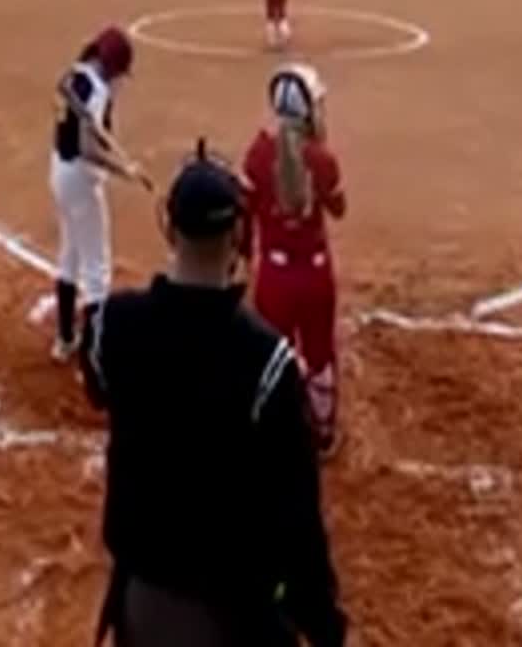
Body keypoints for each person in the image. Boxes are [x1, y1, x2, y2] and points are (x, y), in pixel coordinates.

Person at [80, 140, 347, 647]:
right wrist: (325, 626)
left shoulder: (113, 325)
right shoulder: (268, 362)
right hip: (236, 616)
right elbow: (298, 521)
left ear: (170, 229)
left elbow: (98, 384)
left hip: (143, 607)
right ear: (240, 235)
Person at [240, 63, 347, 456]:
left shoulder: (257, 153)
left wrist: (244, 260)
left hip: (274, 276)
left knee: (271, 356)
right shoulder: (322, 159)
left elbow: (244, 215)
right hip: (315, 275)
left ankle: (274, 434)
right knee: (319, 356)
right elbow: (339, 209)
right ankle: (322, 434)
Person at [50, 28, 152, 361]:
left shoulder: (74, 75)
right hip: (80, 179)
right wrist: (125, 171)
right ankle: (94, 359)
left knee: (70, 254)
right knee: (96, 269)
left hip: (60, 172)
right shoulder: (95, 90)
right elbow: (88, 147)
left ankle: (65, 339)